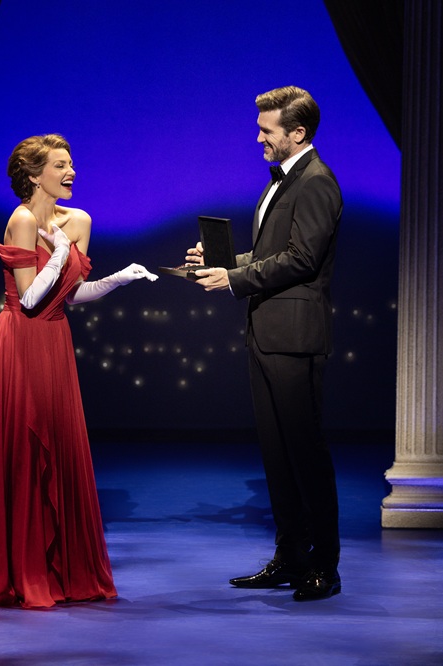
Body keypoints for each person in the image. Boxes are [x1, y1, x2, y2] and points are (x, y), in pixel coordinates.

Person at [0, 133, 157, 609]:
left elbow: (71, 296)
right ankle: (20, 573)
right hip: (19, 343)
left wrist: (119, 278)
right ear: (35, 176)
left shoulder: (79, 220)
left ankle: (61, 572)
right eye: (60, 165)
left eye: (71, 163)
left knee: (57, 450)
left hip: (55, 342)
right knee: (22, 453)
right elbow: (29, 298)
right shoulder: (20, 220)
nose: (71, 171)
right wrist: (58, 253)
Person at [185, 86, 343, 601]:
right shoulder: (283, 180)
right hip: (267, 333)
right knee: (278, 455)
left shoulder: (316, 182)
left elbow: (301, 259)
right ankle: (291, 557)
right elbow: (272, 251)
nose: (258, 138)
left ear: (297, 132)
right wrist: (221, 263)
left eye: (266, 130)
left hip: (295, 337)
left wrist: (232, 280)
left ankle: (324, 566)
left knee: (305, 453)